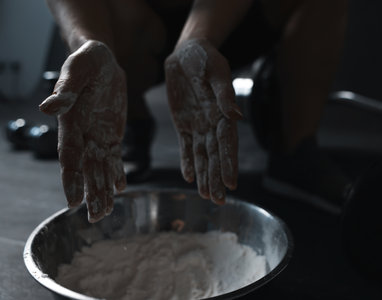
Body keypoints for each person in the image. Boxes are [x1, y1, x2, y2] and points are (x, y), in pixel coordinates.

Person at [39, 0, 349, 222]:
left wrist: (199, 37)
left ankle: (294, 150)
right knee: (117, 18)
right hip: (139, 27)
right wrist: (88, 41)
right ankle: (129, 120)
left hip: (225, 13)